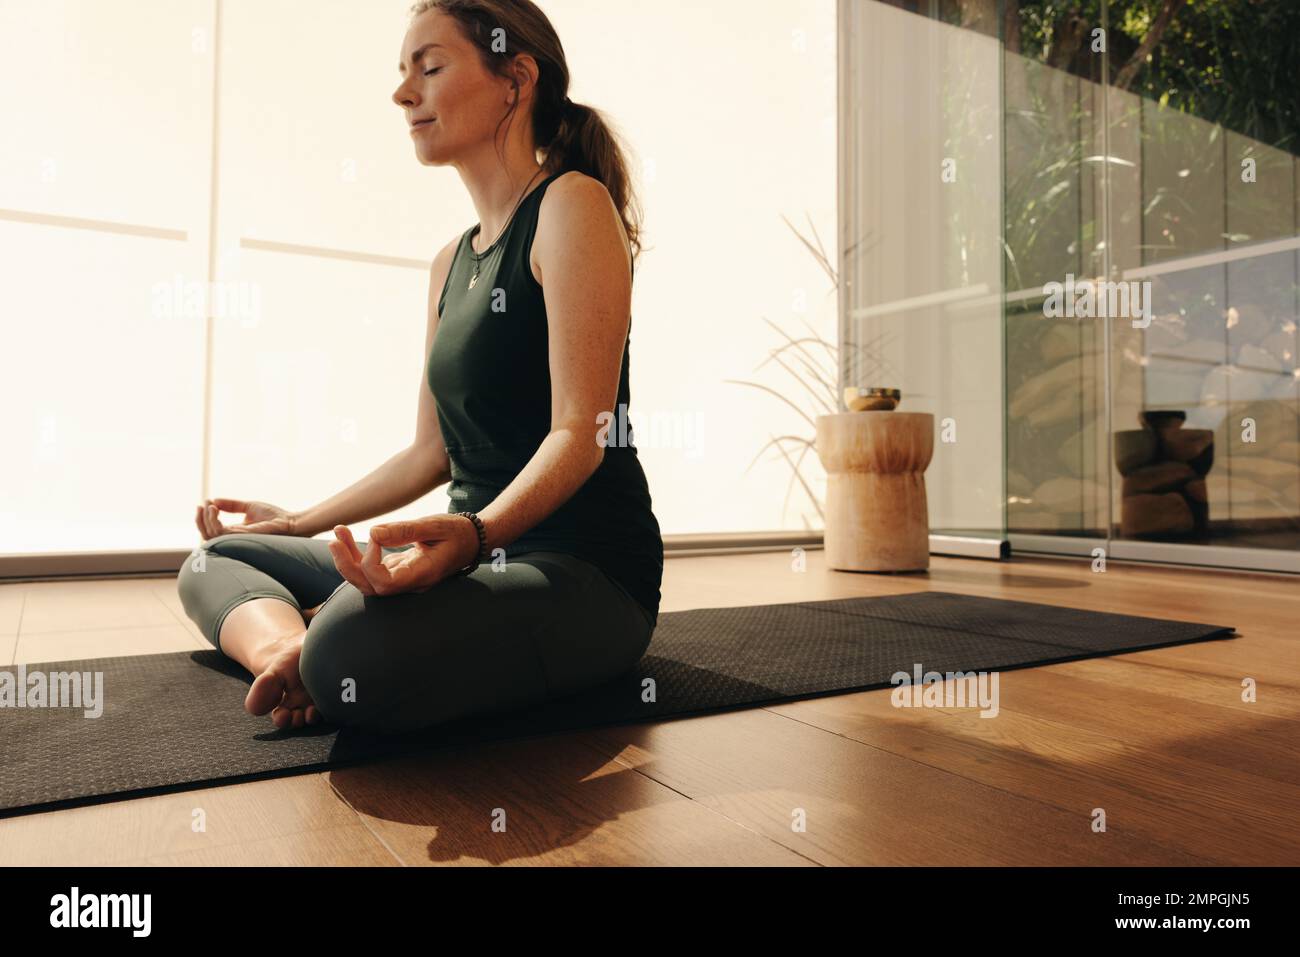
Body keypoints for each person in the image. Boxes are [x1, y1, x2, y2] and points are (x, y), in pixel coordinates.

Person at [176, 0, 662, 734]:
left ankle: (320, 651)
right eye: (403, 74)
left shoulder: (572, 206)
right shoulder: (450, 262)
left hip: (581, 570)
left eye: (429, 68)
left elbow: (581, 430)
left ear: (515, 79)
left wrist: (473, 534)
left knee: (350, 646)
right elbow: (429, 453)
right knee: (216, 559)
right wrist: (296, 521)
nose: (404, 93)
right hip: (468, 552)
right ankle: (287, 650)